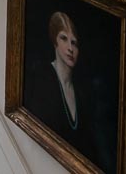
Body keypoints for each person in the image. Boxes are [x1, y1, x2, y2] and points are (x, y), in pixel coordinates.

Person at [24, 12, 98, 165]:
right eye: (63, 38)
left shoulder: (80, 95)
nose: (70, 48)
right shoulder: (41, 77)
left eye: (74, 43)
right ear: (54, 42)